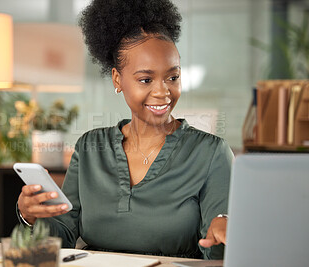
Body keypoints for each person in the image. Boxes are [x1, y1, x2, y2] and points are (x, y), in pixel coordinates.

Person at [17, 0, 234, 259]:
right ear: (117, 80)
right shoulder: (89, 148)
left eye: (172, 77)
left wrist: (225, 234)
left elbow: (217, 248)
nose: (163, 91)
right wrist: (30, 216)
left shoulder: (211, 154)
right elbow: (62, 236)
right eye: (146, 79)